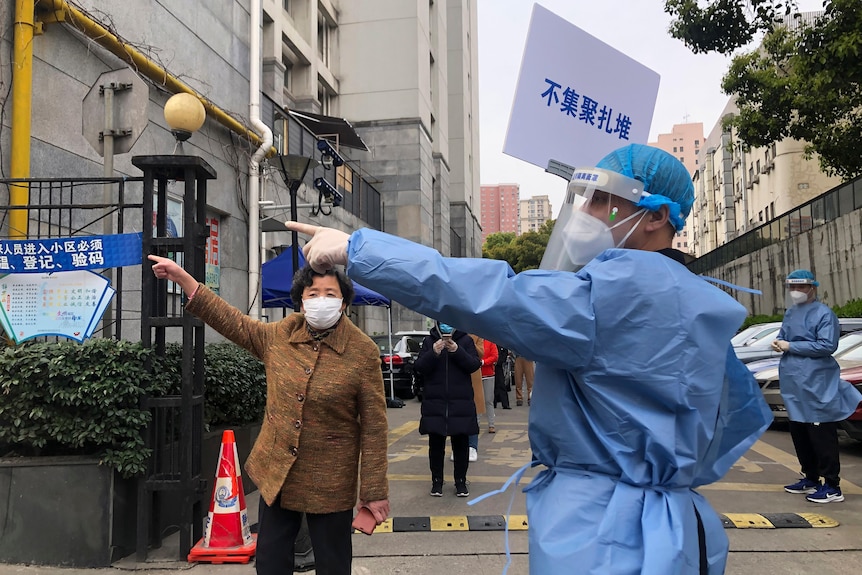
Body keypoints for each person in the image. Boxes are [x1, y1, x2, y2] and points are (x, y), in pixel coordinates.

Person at [286, 143, 772, 574]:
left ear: (655, 216)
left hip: (607, 530)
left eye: (605, 200)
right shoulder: (693, 297)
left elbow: (490, 296)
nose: (589, 213)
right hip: (676, 524)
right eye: (587, 199)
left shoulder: (618, 293)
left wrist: (360, 249)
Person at [147, 255, 390, 575]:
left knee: (333, 564)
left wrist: (372, 492)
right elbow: (234, 322)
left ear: (344, 303)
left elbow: (374, 425)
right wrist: (185, 280)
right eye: (312, 294)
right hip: (278, 473)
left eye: (330, 294)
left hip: (331, 480)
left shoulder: (362, 350)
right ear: (301, 302)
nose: (321, 301)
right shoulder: (280, 336)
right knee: (271, 563)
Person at [772, 269, 862, 503]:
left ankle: (832, 485)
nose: (796, 291)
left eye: (800, 287)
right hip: (794, 382)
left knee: (820, 432)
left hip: (816, 382)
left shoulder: (824, 315)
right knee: (799, 431)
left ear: (813, 287)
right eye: (792, 287)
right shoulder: (791, 313)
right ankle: (810, 477)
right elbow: (783, 336)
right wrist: (779, 344)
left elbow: (826, 345)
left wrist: (791, 347)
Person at [413, 320, 481, 497]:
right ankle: (437, 481)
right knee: (436, 445)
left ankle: (461, 481)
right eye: (442, 322)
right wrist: (433, 353)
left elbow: (474, 365)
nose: (446, 325)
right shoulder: (429, 341)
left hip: (460, 402)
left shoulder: (465, 340)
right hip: (435, 402)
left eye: (449, 321)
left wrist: (457, 351)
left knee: (461, 445)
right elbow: (419, 367)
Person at [479, 338, 499, 432]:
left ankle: (491, 424)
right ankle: (476, 424)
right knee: (477, 401)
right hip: (476, 375)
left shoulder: (490, 342)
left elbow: (495, 356)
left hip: (488, 374)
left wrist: (483, 362)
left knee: (488, 400)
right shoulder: (473, 340)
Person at [494, 344, 512, 410]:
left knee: (501, 384)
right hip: (490, 365)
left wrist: (499, 361)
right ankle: (493, 403)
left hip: (498, 366)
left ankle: (505, 404)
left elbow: (505, 352)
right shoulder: (489, 341)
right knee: (492, 386)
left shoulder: (500, 343)